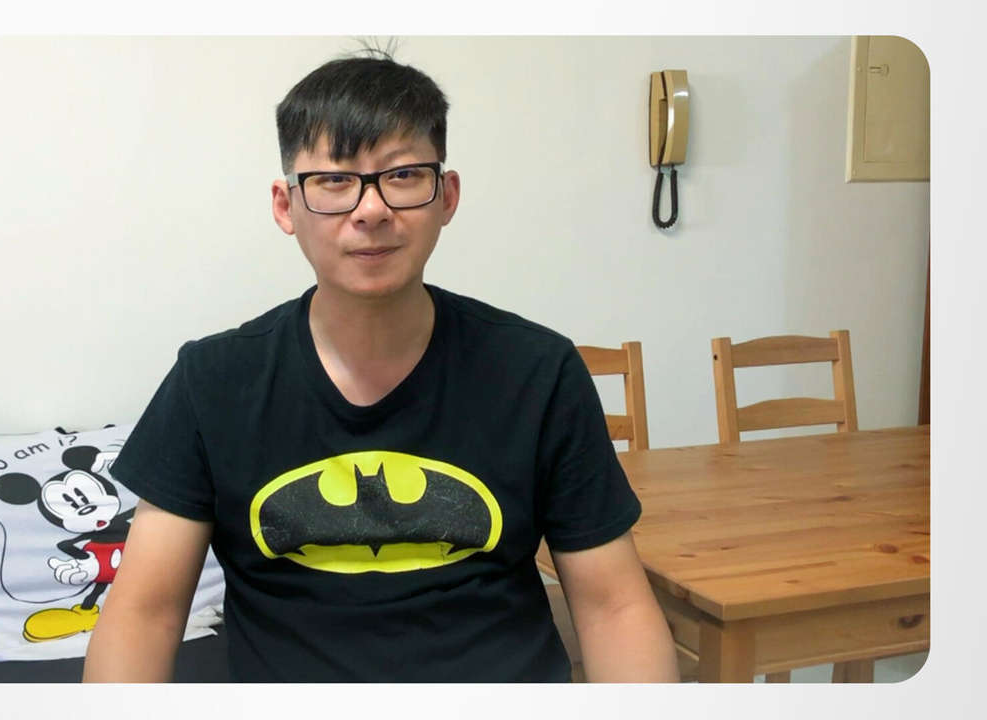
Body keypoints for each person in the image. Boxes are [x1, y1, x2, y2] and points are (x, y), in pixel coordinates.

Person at [83, 50, 679, 683]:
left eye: (403, 175)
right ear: (286, 205)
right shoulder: (212, 382)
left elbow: (614, 607)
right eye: (334, 181)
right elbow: (144, 614)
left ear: (446, 196)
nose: (371, 210)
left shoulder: (537, 372)